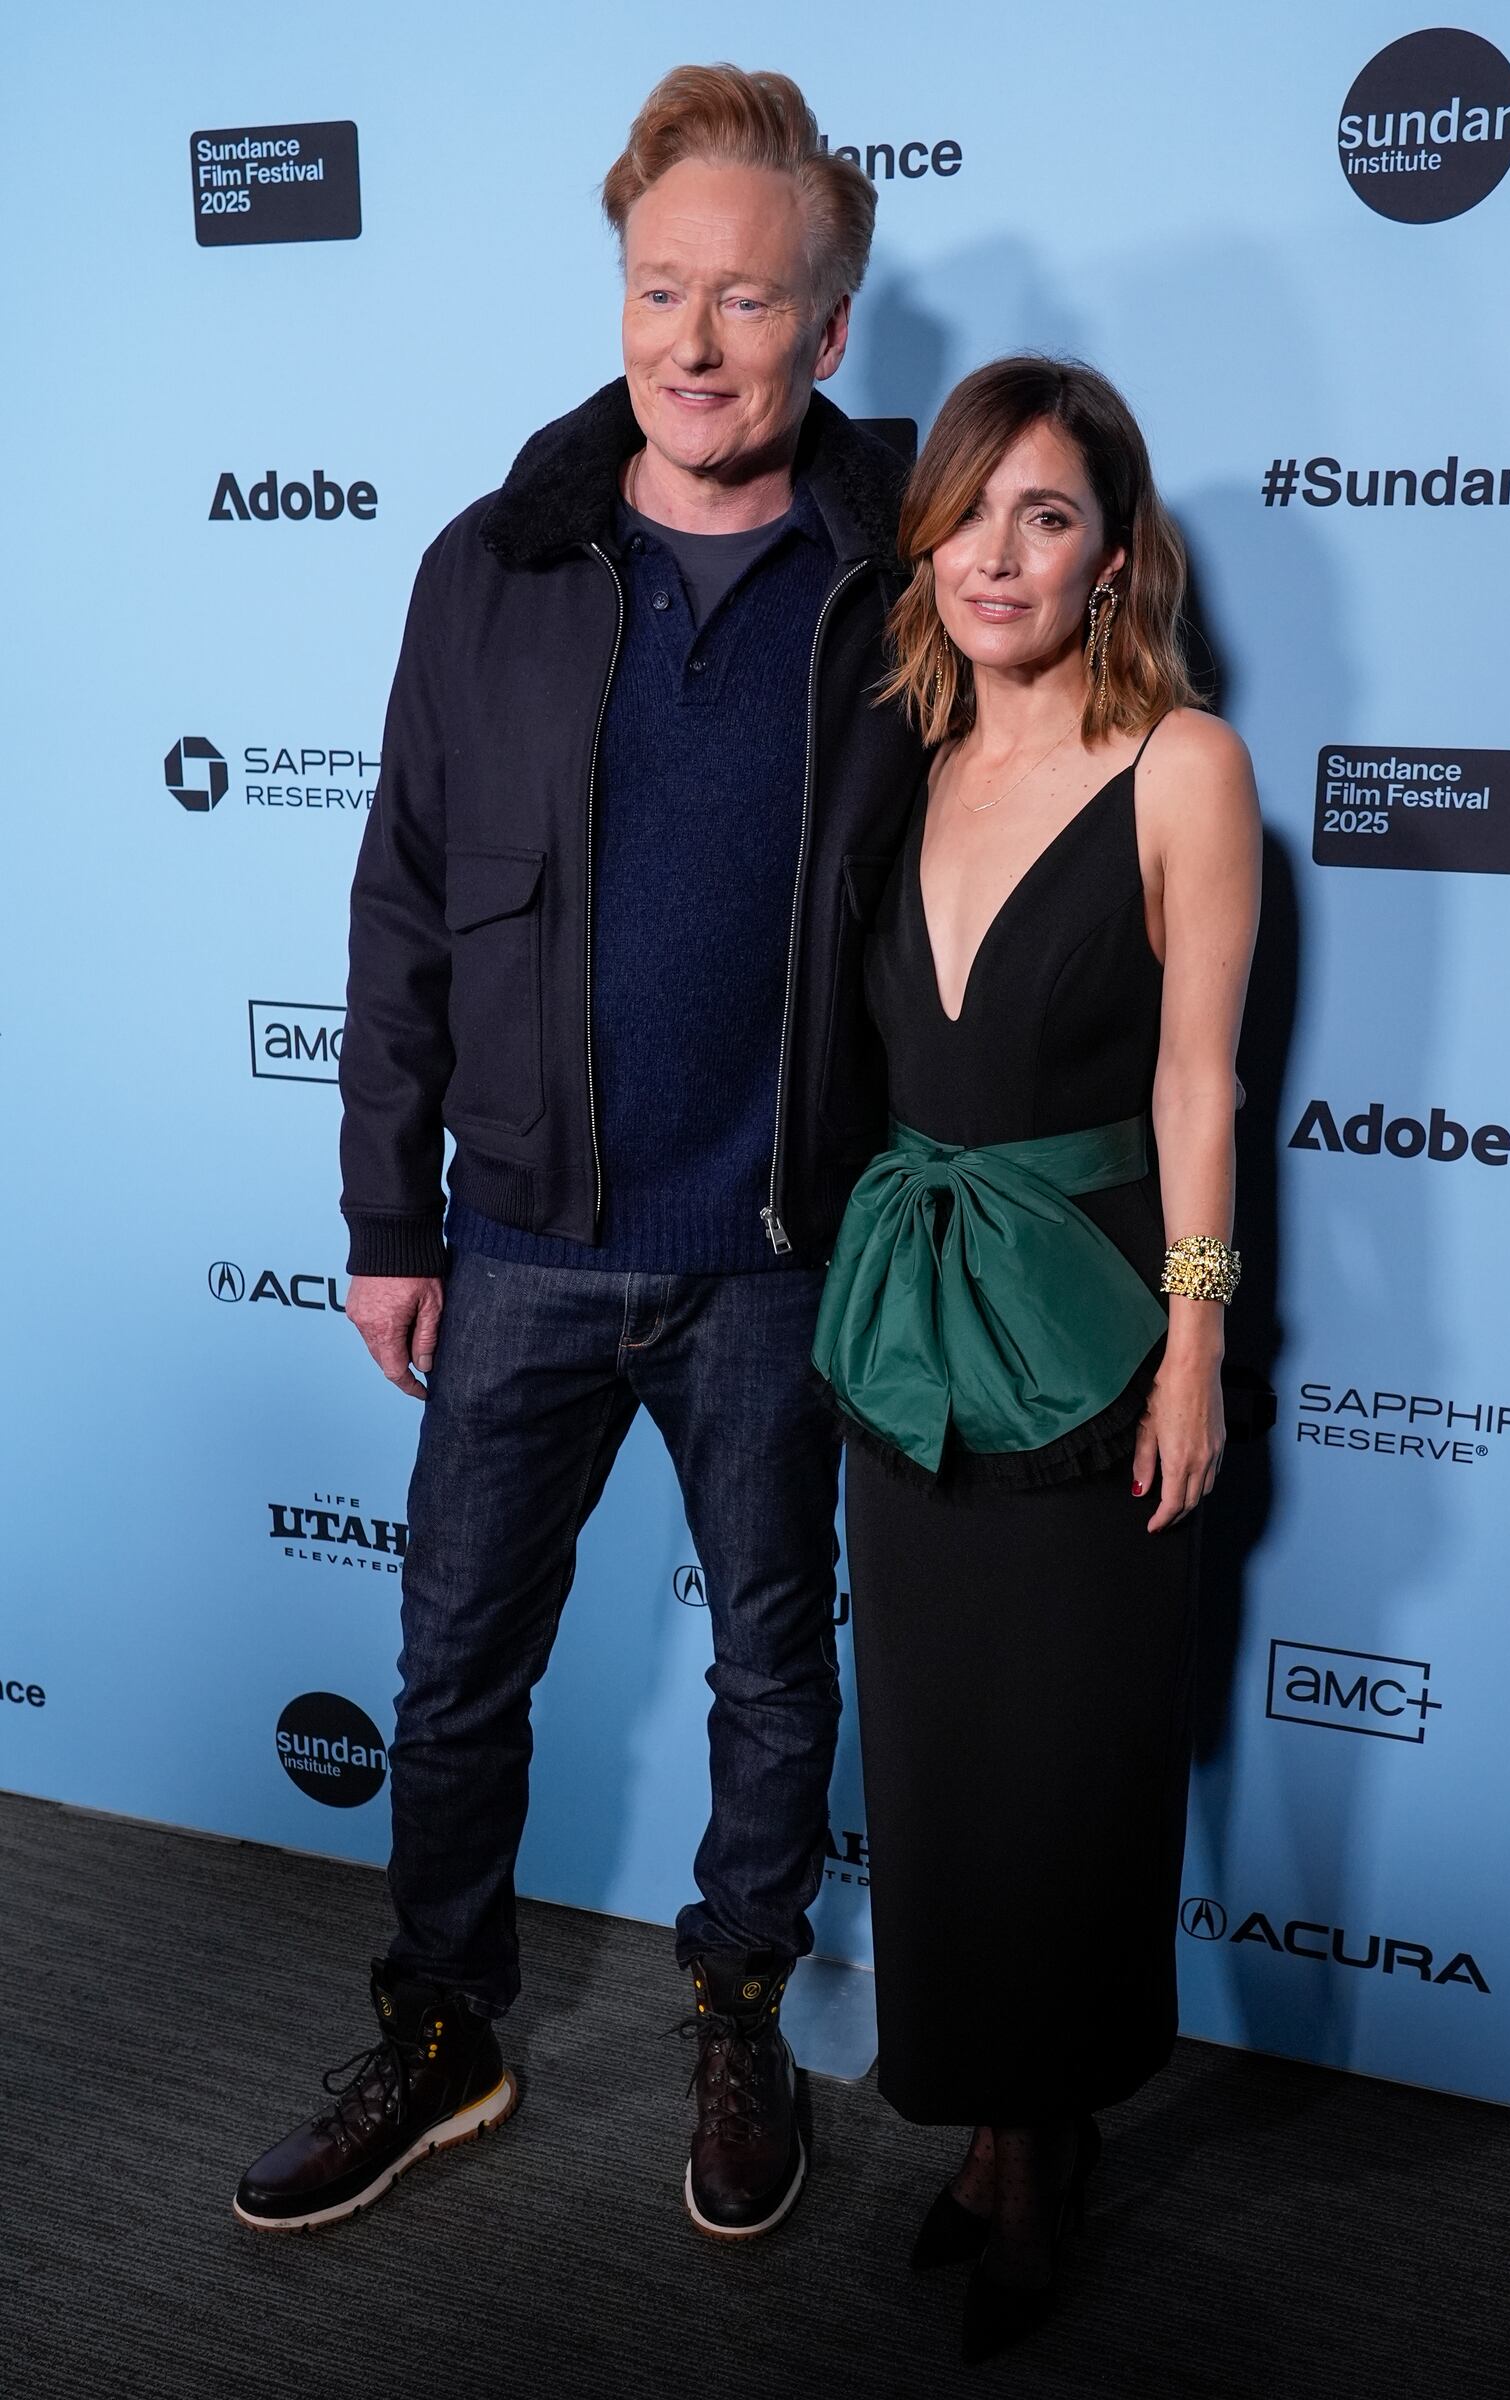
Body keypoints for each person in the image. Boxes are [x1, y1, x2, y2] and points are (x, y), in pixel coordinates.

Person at [233, 64, 925, 2241]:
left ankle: (739, 2012)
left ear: (826, 330)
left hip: (780, 1248)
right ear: (616, 296)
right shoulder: (494, 563)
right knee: (450, 1669)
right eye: (657, 290)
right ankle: (442, 2033)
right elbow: (403, 900)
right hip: (520, 1237)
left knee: (771, 1668)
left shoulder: (907, 569)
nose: (691, 341)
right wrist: (382, 1213)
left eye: (743, 299)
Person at [811, 357, 1261, 2361]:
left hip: (1083, 1340)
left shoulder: (1180, 762)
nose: (995, 551)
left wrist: (1194, 1340)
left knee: (1069, 1774)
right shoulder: (894, 747)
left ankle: (1042, 2137)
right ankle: (994, 2139)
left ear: (1107, 554)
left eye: (1045, 514)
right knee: (938, 1777)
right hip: (901, 1341)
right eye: (968, 508)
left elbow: (1196, 1081)